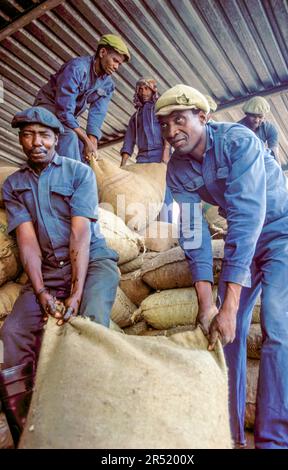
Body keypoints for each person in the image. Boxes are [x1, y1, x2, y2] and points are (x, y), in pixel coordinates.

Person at [155, 84, 288, 449]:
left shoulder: (239, 141)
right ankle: (228, 435)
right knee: (223, 332)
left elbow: (249, 215)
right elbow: (192, 232)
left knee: (278, 327)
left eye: (180, 120)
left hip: (282, 233)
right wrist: (208, 303)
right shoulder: (177, 170)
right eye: (164, 125)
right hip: (242, 239)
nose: (172, 132)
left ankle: (276, 442)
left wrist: (230, 303)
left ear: (203, 118)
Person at [0, 107, 120, 446]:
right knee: (12, 333)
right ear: (20, 139)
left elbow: (80, 237)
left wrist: (76, 293)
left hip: (93, 263)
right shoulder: (15, 184)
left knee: (91, 323)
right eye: (27, 134)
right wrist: (41, 293)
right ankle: (28, 434)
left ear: (56, 139)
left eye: (43, 135)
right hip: (49, 272)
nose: (35, 142)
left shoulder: (79, 174)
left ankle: (88, 427)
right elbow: (26, 242)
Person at [34, 34, 130, 162]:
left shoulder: (108, 85)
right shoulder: (77, 68)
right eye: (115, 60)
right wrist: (85, 139)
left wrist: (92, 141)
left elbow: (98, 113)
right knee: (70, 137)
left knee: (84, 151)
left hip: (67, 118)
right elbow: (64, 109)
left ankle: (82, 179)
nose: (117, 66)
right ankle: (68, 179)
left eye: (120, 64)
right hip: (48, 108)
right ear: (102, 52)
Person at [120, 77, 173, 223]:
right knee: (143, 191)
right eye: (140, 89)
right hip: (142, 158)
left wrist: (165, 154)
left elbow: (168, 129)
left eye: (147, 88)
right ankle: (147, 227)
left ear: (153, 90)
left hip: (160, 154)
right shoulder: (135, 117)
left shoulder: (160, 110)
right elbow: (129, 140)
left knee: (163, 192)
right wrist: (123, 165)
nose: (143, 92)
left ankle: (166, 228)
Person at [238, 96, 279, 160]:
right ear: (246, 114)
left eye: (260, 117)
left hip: (259, 158)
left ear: (264, 116)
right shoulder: (237, 129)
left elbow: (274, 154)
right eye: (253, 116)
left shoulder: (270, 129)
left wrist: (279, 169)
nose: (256, 120)